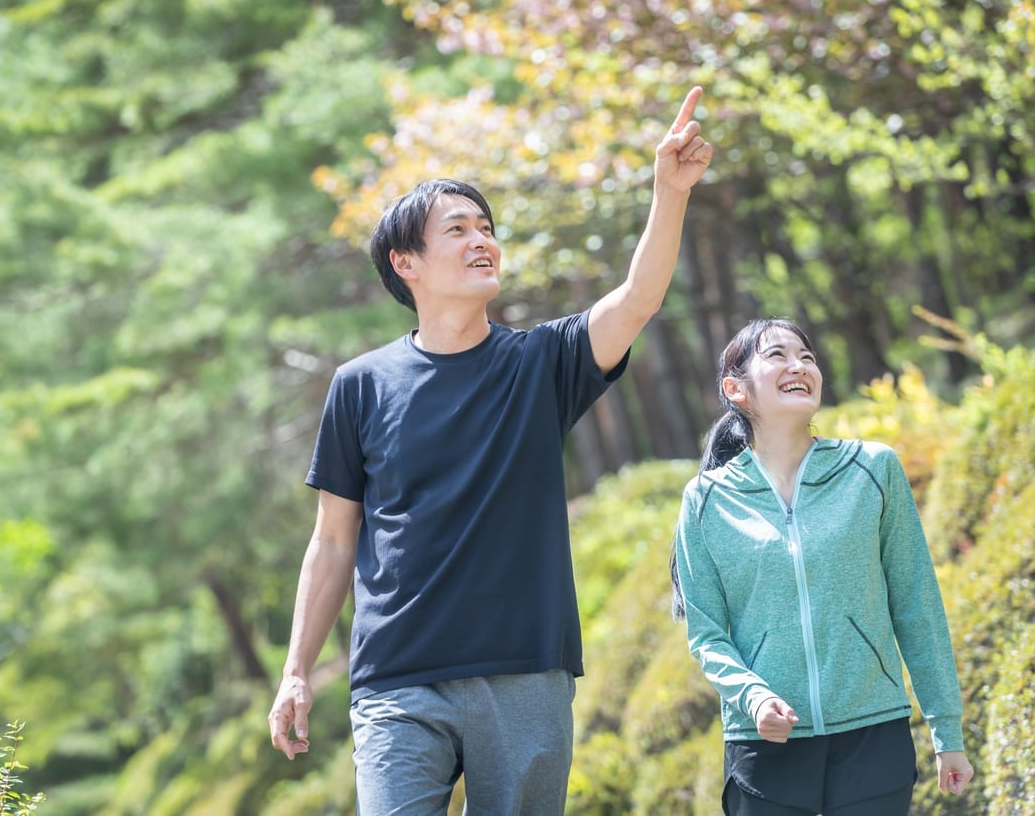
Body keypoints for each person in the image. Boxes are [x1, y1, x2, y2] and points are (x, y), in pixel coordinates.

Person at [267, 87, 712, 814]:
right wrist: (295, 670)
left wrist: (669, 192)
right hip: (396, 676)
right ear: (404, 261)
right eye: (458, 229)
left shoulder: (542, 363)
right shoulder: (359, 386)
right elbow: (332, 539)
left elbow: (637, 299)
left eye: (487, 227)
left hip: (525, 670)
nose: (482, 240)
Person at [670, 318, 974, 816]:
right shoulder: (705, 501)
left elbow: (917, 606)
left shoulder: (872, 470)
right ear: (736, 389)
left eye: (807, 357)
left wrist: (947, 732)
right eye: (778, 356)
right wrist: (752, 697)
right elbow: (707, 634)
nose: (800, 366)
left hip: (872, 736)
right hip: (765, 746)